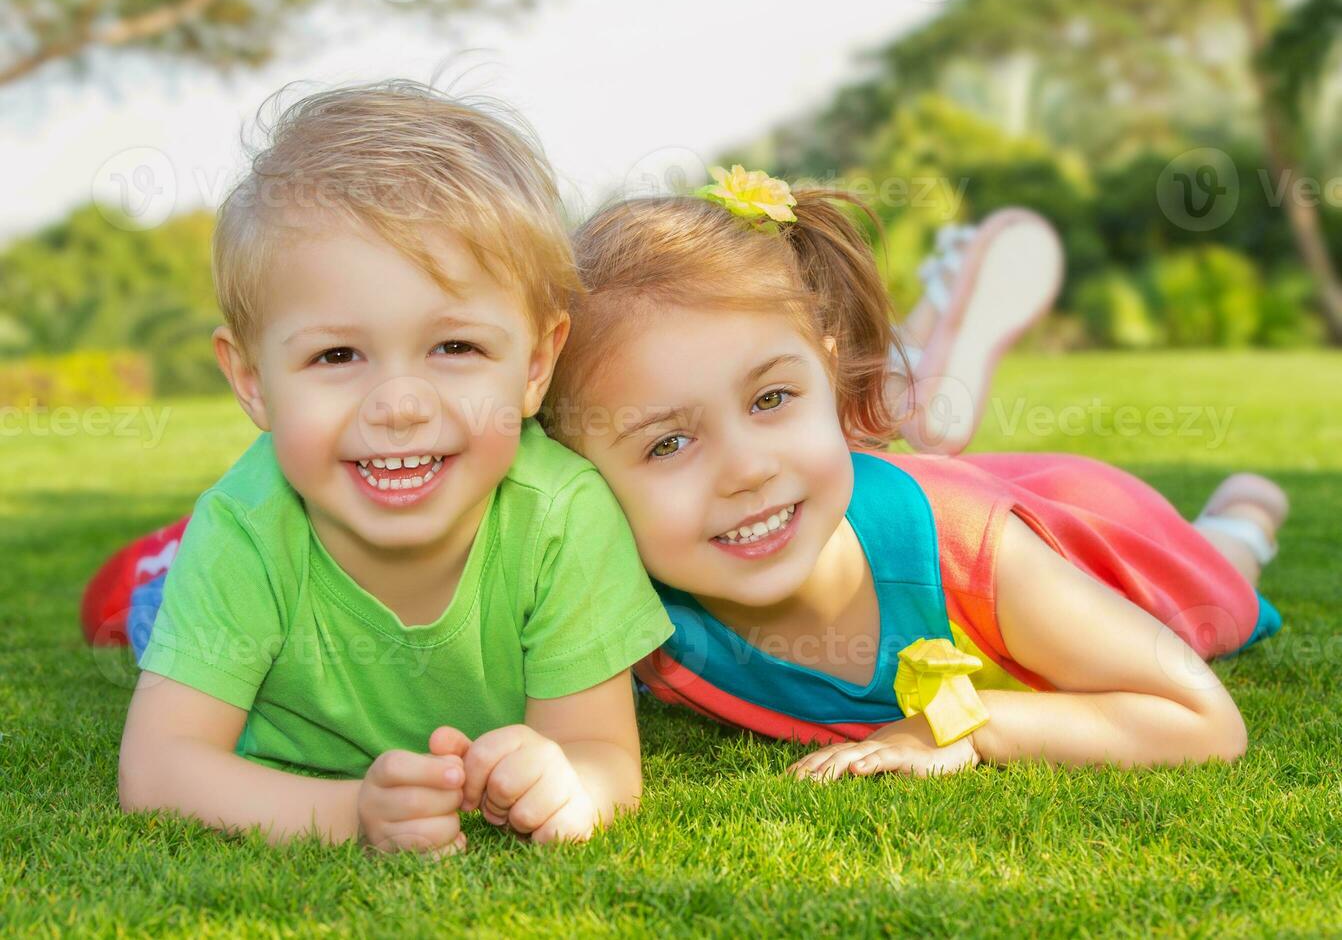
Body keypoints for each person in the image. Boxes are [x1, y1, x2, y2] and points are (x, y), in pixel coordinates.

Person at [539, 164, 1287, 779]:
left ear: (831, 384)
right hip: (952, 491)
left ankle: (1243, 516)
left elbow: (1202, 722)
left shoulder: (970, 555)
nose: (747, 470)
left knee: (1218, 578)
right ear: (579, 479)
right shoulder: (624, 607)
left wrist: (953, 727)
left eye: (772, 398)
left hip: (1096, 534)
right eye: (667, 444)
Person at [113, 82, 673, 853]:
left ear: (537, 362)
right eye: (337, 355)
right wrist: (352, 815)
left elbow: (603, 753)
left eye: (456, 347)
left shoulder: (563, 514)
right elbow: (160, 769)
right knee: (145, 612)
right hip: (220, 586)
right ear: (252, 382)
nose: (401, 405)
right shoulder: (247, 528)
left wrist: (566, 779)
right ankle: (149, 575)